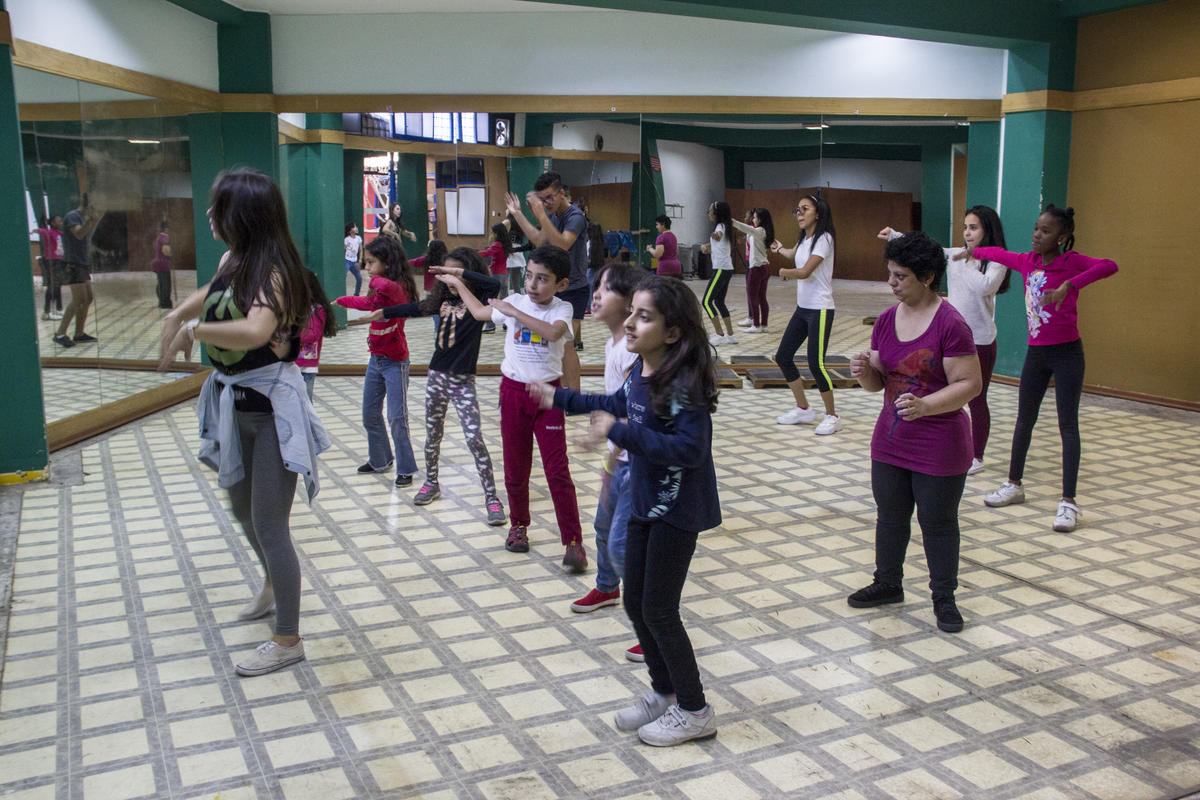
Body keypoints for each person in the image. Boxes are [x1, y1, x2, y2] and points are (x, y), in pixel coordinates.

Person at [528, 275, 721, 747]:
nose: (631, 323)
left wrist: (618, 432)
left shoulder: (680, 384)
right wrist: (562, 399)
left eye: (644, 316)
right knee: (636, 601)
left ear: (673, 332)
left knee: (659, 608)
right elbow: (617, 405)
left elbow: (689, 449)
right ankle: (664, 692)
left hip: (678, 509)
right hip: (645, 500)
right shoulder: (642, 370)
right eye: (631, 311)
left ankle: (695, 709)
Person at [158, 167, 329, 677]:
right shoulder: (237, 258)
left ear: (243, 215)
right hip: (238, 409)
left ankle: (288, 639)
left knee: (271, 525)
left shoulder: (275, 270)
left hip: (274, 412)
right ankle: (275, 583)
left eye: (218, 207)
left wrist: (196, 327)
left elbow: (256, 329)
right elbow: (213, 288)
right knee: (241, 509)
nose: (210, 215)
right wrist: (176, 316)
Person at [847, 231, 981, 634]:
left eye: (900, 276)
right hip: (890, 439)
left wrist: (925, 406)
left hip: (939, 443)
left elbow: (969, 384)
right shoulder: (887, 320)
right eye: (889, 273)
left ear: (926, 277)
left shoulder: (951, 323)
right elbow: (878, 384)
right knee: (890, 515)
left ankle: (945, 598)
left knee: (938, 522)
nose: (891, 283)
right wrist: (864, 373)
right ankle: (888, 583)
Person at [973, 205, 1118, 532]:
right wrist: (972, 250)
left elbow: (1111, 265)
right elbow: (999, 253)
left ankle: (1068, 502)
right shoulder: (1027, 261)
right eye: (1037, 228)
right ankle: (1014, 484)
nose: (1037, 235)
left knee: (1068, 425)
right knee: (1024, 419)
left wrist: (1072, 285)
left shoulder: (1071, 262)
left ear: (1062, 237)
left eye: (1046, 231)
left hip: (1067, 354)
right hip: (1036, 355)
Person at [449, 245, 586, 571]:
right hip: (512, 393)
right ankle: (519, 526)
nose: (533, 284)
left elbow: (554, 334)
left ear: (561, 284)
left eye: (543, 279)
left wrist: (512, 313)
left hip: (547, 396)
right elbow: (481, 313)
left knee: (557, 470)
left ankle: (573, 541)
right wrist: (458, 285)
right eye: (529, 276)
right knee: (515, 466)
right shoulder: (515, 301)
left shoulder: (561, 309)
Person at [363, 247, 507, 525]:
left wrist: (457, 276)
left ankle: (492, 497)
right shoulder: (439, 302)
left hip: (463, 382)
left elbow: (494, 283)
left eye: (452, 272)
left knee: (475, 438)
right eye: (443, 272)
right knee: (433, 435)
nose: (447, 279)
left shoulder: (478, 302)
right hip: (437, 378)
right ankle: (432, 482)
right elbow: (411, 308)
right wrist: (381, 313)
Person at [879, 205, 1011, 475]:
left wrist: (968, 260)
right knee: (938, 391)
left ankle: (977, 454)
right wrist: (894, 235)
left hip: (980, 340)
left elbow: (985, 287)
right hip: (946, 338)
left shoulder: (997, 260)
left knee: (976, 398)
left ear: (988, 231)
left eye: (974, 227)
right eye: (965, 227)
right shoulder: (954, 255)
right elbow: (926, 252)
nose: (967, 233)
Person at [566, 262, 644, 661]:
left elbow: (629, 412)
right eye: (595, 285)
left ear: (630, 303)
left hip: (639, 461)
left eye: (606, 289)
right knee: (601, 526)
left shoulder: (634, 353)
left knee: (620, 543)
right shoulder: (613, 344)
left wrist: (612, 456)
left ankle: (650, 625)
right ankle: (607, 588)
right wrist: (610, 459)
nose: (595, 294)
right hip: (621, 455)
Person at [335, 235, 420, 488]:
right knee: (370, 413)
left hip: (396, 362)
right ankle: (380, 459)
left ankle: (406, 468)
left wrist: (375, 276)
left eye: (371, 262)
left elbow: (388, 288)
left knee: (397, 417)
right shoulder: (380, 287)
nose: (367, 268)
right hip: (376, 359)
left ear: (387, 262)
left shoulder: (398, 287)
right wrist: (342, 300)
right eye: (366, 263)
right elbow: (368, 302)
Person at [770, 194, 841, 435]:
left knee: (815, 363)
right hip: (803, 309)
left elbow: (806, 271)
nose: (799, 213)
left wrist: (785, 271)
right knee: (783, 356)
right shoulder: (805, 239)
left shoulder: (825, 238)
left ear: (818, 213)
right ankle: (803, 408)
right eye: (797, 210)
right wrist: (781, 250)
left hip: (820, 309)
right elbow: (795, 255)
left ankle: (832, 416)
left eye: (804, 209)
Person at [504, 171, 589, 355]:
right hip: (554, 287)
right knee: (553, 347)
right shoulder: (552, 215)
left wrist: (541, 214)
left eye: (550, 197)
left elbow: (563, 244)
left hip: (574, 287)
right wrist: (517, 213)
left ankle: (568, 384)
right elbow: (538, 239)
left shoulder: (575, 216)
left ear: (561, 194)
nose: (546, 203)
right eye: (542, 199)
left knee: (566, 345)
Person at [54, 195, 100, 348]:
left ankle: (79, 333)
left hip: (81, 263)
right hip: (72, 264)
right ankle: (60, 333)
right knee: (79, 299)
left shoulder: (82, 218)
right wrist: (90, 220)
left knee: (88, 298)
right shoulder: (72, 216)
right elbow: (79, 234)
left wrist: (93, 221)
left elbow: (86, 235)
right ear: (87, 206)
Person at [698, 201, 737, 346]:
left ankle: (719, 334)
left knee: (706, 301)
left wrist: (713, 236)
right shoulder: (726, 226)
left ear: (716, 213)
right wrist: (707, 246)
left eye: (710, 210)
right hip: (726, 268)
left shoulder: (720, 227)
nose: (708, 213)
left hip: (721, 269)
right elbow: (719, 244)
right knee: (719, 302)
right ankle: (731, 335)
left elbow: (718, 236)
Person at [297, 269, 338, 402]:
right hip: (290, 366)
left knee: (305, 406)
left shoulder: (316, 309)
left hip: (306, 367)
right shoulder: (291, 306)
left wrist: (289, 332)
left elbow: (312, 334)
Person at [733, 208, 775, 333]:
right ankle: (764, 325)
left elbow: (747, 228)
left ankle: (756, 325)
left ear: (761, 219)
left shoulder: (759, 231)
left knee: (753, 297)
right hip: (764, 267)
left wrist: (732, 221)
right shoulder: (761, 231)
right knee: (761, 297)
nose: (753, 219)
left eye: (755, 217)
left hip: (757, 268)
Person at [478, 222, 513, 332]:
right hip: (504, 274)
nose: (491, 234)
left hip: (496, 275)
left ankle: (490, 325)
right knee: (504, 300)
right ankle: (507, 324)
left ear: (496, 233)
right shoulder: (506, 244)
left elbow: (487, 253)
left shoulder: (497, 244)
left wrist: (472, 254)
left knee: (490, 300)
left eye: (492, 232)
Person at [35, 215, 64, 320]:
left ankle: (58, 308)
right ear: (52, 223)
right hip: (52, 261)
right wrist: (36, 230)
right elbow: (42, 231)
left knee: (57, 284)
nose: (61, 223)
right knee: (53, 285)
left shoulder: (58, 233)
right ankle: (47, 312)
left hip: (58, 261)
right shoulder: (49, 233)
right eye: (58, 221)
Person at [150, 219, 173, 309]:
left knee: (161, 284)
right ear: (166, 229)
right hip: (164, 264)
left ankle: (161, 301)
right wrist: (172, 253)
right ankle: (165, 302)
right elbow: (166, 250)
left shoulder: (159, 237)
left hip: (158, 263)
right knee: (166, 284)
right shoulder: (165, 237)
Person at [505, 219, 532, 295]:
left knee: (506, 280)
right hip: (517, 254)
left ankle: (506, 298)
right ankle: (518, 297)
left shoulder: (507, 228)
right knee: (515, 281)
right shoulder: (520, 229)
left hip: (510, 253)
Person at [583, 222, 604, 315]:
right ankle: (595, 307)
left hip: (591, 269)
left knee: (589, 289)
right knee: (595, 289)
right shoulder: (600, 242)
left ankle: (588, 308)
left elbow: (586, 259)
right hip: (599, 269)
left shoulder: (589, 244)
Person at [344, 222, 364, 296]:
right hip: (347, 261)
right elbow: (344, 249)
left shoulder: (359, 238)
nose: (356, 228)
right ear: (350, 230)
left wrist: (360, 260)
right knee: (344, 276)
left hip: (355, 262)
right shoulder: (346, 239)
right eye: (354, 227)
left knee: (359, 278)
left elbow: (361, 250)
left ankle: (356, 294)